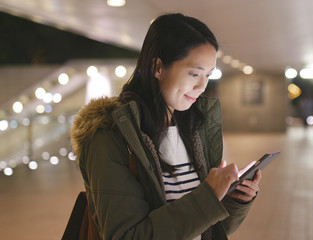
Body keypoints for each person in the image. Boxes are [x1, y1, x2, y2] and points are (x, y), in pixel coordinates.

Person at [70, 13, 261, 240]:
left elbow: (205, 227)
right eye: (194, 73)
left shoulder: (194, 128)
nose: (201, 86)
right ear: (158, 67)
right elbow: (127, 235)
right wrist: (209, 196)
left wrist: (235, 200)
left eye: (208, 75)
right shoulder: (109, 135)